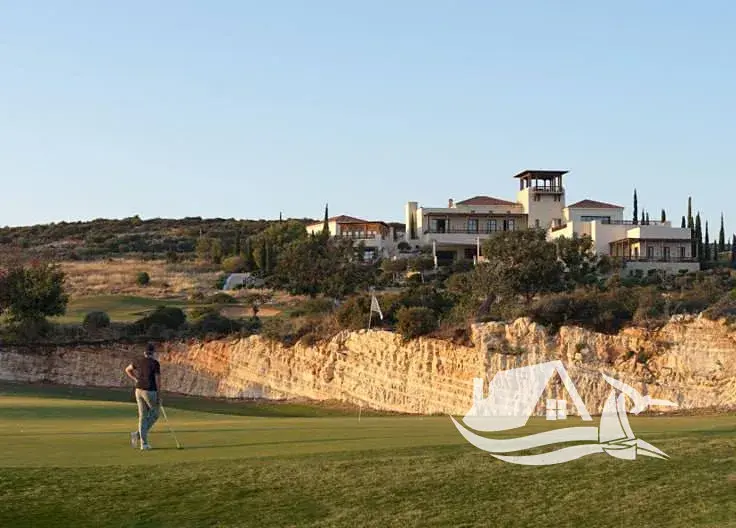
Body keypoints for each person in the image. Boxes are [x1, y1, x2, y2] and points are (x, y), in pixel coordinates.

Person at [125, 342, 162, 450]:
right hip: (150, 391)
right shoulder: (155, 363)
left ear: (145, 352)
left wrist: (136, 379)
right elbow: (158, 381)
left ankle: (143, 443)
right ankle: (139, 436)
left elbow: (127, 369)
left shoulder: (138, 360)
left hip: (138, 390)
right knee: (155, 414)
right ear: (153, 352)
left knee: (143, 416)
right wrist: (159, 395)